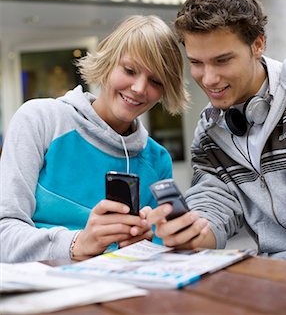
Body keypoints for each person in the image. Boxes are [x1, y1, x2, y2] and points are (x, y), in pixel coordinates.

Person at [0, 15, 189, 263]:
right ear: (108, 63)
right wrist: (76, 243)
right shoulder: (40, 120)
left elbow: (163, 252)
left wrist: (145, 243)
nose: (139, 88)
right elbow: (4, 233)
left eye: (156, 81)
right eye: (130, 70)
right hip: (40, 292)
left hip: (120, 292)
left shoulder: (157, 159)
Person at [149, 0, 286, 261]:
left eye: (222, 60)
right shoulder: (208, 133)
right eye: (196, 63)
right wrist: (195, 231)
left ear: (258, 45)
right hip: (275, 275)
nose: (209, 79)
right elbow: (212, 202)